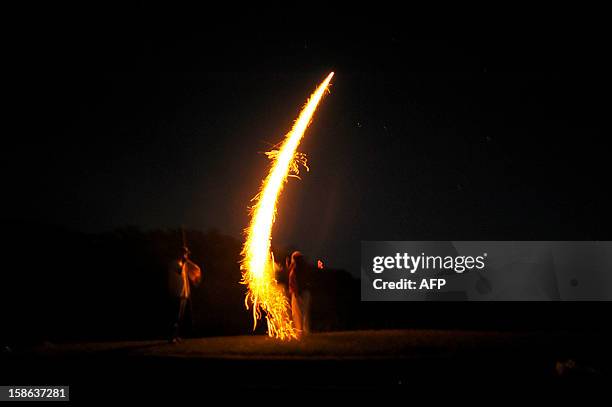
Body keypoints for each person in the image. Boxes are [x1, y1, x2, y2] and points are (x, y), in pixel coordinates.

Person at [169, 246, 201, 343]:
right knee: (175, 316)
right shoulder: (174, 263)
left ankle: (177, 335)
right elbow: (179, 271)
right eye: (184, 253)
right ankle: (172, 336)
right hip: (176, 293)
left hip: (184, 293)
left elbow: (190, 273)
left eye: (186, 253)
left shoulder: (183, 264)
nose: (186, 255)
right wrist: (184, 262)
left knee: (181, 318)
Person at [287, 251, 311, 337]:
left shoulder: (296, 269)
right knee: (303, 313)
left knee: (298, 313)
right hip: (304, 293)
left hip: (299, 293)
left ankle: (300, 332)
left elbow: (295, 282)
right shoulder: (303, 268)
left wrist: (297, 294)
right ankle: (304, 331)